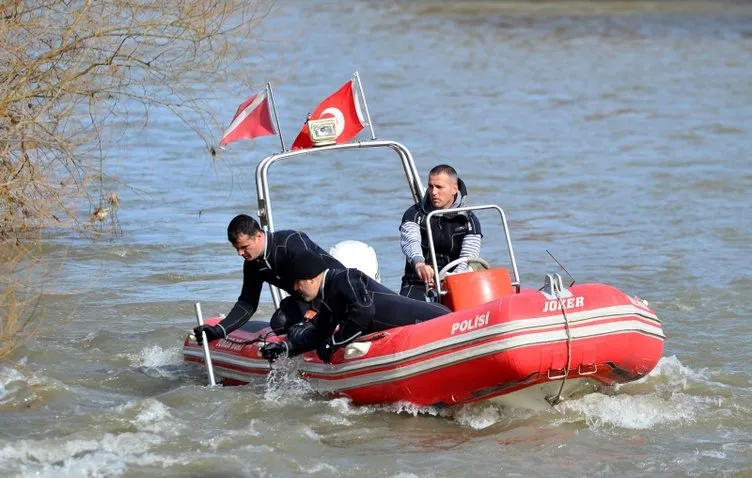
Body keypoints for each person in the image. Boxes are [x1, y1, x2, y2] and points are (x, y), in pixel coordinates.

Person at [259, 250, 450, 363]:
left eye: (297, 282)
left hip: (437, 321)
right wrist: (285, 347)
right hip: (423, 327)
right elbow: (319, 333)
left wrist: (336, 342)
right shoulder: (329, 299)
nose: (294, 288)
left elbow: (365, 311)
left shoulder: (346, 278)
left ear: (311, 278)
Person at [193, 214, 344, 344]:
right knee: (280, 322)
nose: (240, 253)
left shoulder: (290, 243)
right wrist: (218, 331)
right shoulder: (253, 264)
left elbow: (319, 276)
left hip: (339, 293)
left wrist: (315, 309)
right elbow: (247, 302)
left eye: (244, 247)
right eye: (236, 248)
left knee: (301, 321)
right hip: (306, 301)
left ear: (259, 236)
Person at [399, 164, 482, 301]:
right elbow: (411, 242)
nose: (433, 192)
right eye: (430, 186)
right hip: (418, 283)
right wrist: (419, 264)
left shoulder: (469, 220)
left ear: (455, 189)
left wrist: (446, 281)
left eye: (439, 187)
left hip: (455, 283)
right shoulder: (413, 214)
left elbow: (469, 258)